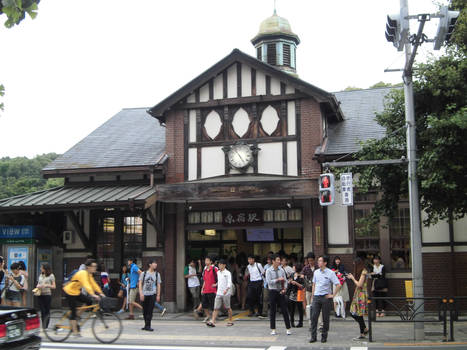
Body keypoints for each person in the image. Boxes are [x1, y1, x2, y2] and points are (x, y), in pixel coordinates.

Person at [63, 259, 105, 337]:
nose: (95, 268)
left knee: (88, 301)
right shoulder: (83, 273)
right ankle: (75, 332)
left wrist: (101, 293)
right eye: (93, 266)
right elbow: (86, 285)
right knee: (73, 311)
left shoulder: (89, 275)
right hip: (69, 292)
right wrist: (93, 294)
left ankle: (77, 316)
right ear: (88, 267)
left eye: (95, 266)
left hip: (76, 292)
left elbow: (93, 284)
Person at [309, 255, 341, 344]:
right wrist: (312, 296)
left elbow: (338, 284)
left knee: (325, 318)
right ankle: (313, 336)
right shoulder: (316, 272)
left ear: (325, 263)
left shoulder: (330, 273)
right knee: (314, 317)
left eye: (320, 261)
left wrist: (332, 295)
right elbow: (314, 284)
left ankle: (324, 336)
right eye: (318, 261)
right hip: (316, 297)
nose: (318, 262)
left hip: (326, 297)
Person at [266, 254, 292, 336]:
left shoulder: (281, 270)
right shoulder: (268, 270)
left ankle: (288, 328)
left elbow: (286, 281)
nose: (279, 261)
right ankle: (273, 329)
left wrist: (285, 289)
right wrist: (277, 280)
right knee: (273, 310)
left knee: (284, 310)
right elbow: (269, 281)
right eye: (277, 260)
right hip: (272, 291)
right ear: (273, 261)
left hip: (281, 291)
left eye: (279, 260)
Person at [206, 259, 234, 327]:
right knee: (216, 308)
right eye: (219, 264)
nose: (219, 265)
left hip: (226, 293)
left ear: (224, 265)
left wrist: (226, 290)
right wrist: (215, 284)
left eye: (221, 264)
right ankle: (212, 321)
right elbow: (220, 281)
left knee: (228, 307)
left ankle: (230, 320)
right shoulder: (218, 272)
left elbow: (229, 283)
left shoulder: (227, 273)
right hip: (219, 292)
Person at [348, 257, 369, 340]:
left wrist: (352, 278)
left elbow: (359, 284)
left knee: (356, 313)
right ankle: (364, 329)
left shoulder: (364, 271)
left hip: (361, 295)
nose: (354, 267)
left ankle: (362, 332)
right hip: (358, 294)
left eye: (355, 265)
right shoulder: (362, 271)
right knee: (355, 313)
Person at [139, 260, 161, 331]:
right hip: (144, 294)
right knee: (144, 310)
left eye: (156, 263)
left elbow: (158, 285)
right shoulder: (143, 273)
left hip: (152, 294)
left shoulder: (157, 274)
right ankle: (146, 325)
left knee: (150, 310)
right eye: (154, 263)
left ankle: (148, 325)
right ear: (150, 264)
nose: (156, 265)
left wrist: (158, 295)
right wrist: (141, 293)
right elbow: (140, 283)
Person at [35, 263, 56, 328]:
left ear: (45, 269)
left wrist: (47, 285)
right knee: (42, 310)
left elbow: (54, 286)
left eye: (42, 268)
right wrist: (38, 286)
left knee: (47, 310)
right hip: (40, 294)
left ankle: (46, 325)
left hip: (47, 294)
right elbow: (38, 283)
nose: (40, 269)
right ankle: (43, 324)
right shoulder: (41, 275)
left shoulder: (51, 276)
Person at [201, 256, 218, 322]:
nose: (206, 262)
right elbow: (205, 280)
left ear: (211, 262)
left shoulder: (214, 269)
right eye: (205, 260)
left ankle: (214, 318)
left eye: (207, 260)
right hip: (206, 290)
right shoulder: (205, 270)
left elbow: (220, 278)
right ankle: (208, 316)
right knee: (204, 305)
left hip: (212, 290)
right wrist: (202, 288)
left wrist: (216, 284)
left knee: (213, 305)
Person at [288, 263, 305, 328]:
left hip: (299, 293)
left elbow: (302, 286)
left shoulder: (301, 276)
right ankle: (291, 321)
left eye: (294, 266)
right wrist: (290, 282)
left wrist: (296, 283)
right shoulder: (292, 274)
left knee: (300, 308)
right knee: (292, 309)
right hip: (292, 293)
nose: (293, 267)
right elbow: (289, 281)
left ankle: (300, 322)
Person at [302, 252, 316, 320]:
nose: (310, 262)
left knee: (315, 306)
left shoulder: (317, 268)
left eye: (311, 260)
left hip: (316, 290)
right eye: (309, 260)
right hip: (308, 289)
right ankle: (310, 321)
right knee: (309, 306)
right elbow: (302, 276)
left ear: (314, 260)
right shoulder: (305, 268)